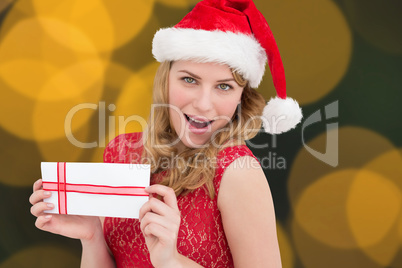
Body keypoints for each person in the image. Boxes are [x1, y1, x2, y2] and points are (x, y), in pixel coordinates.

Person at [29, 0, 302, 267]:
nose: (204, 104)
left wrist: (171, 261)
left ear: (242, 96)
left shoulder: (238, 173)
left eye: (224, 87)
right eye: (189, 79)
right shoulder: (122, 152)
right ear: (165, 79)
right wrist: (91, 238)